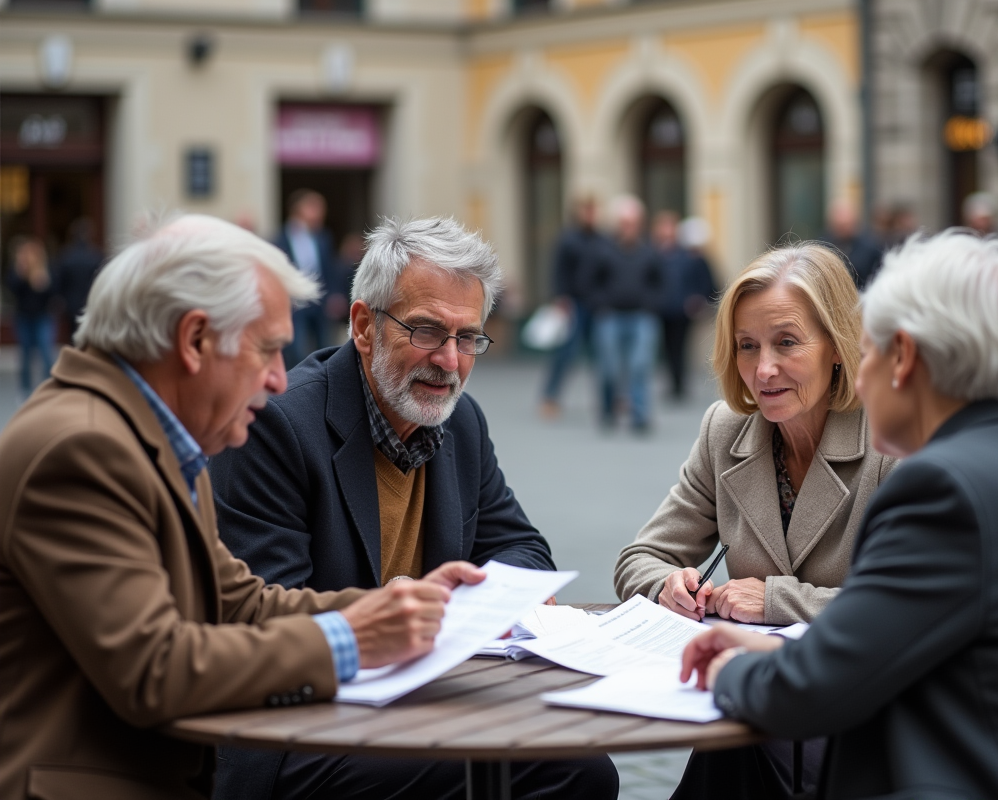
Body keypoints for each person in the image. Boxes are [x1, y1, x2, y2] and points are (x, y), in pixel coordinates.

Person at [0, 213, 490, 799]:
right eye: (267, 350)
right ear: (195, 340)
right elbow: (153, 668)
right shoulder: (83, 447)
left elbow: (237, 601)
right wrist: (351, 639)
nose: (281, 379)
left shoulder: (153, 439)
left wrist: (397, 611)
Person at [677, 230, 998, 800]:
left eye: (865, 352)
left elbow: (811, 692)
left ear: (906, 358)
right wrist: (770, 649)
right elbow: (882, 643)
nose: (860, 380)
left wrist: (727, 673)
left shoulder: (944, 488)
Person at [209, 216, 618, 800]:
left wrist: (481, 597)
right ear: (363, 326)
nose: (449, 361)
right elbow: (261, 615)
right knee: (551, 771)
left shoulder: (461, 422)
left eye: (468, 337)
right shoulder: (280, 425)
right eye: (426, 331)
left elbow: (523, 548)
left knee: (587, 768)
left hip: (426, 701)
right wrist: (418, 609)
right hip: (299, 727)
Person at [614, 241, 894, 626]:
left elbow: (919, 597)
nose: (763, 370)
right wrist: (670, 585)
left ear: (837, 345)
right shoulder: (725, 430)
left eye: (786, 342)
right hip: (745, 672)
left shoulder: (894, 440)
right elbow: (638, 560)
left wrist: (777, 601)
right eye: (747, 345)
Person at [589, 195, 664, 431]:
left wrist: (651, 303)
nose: (628, 227)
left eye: (633, 222)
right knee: (609, 366)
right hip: (610, 316)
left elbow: (660, 282)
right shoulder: (603, 251)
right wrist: (601, 303)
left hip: (642, 316)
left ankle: (639, 415)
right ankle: (608, 409)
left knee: (640, 365)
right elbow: (591, 282)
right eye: (624, 222)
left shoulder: (649, 252)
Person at [541, 196, 606, 418]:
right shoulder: (568, 239)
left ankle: (610, 398)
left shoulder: (602, 240)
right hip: (573, 304)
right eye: (587, 211)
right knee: (566, 353)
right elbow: (558, 271)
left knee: (602, 354)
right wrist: (560, 297)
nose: (591, 215)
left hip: (597, 306)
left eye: (593, 210)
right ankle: (550, 396)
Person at [274, 189, 343, 367]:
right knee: (297, 350)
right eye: (315, 208)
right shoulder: (280, 239)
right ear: (299, 209)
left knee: (325, 348)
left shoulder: (323, 238)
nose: (320, 213)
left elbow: (329, 269)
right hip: (295, 304)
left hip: (319, 302)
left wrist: (334, 295)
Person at [655, 211, 716, 401]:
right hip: (662, 308)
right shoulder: (654, 254)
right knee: (667, 346)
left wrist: (698, 299)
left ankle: (679, 383)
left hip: (682, 309)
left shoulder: (688, 254)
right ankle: (673, 381)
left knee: (679, 346)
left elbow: (703, 280)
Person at [7, 235, 56, 396]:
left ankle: (51, 384)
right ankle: (25, 388)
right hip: (23, 317)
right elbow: (12, 290)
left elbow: (52, 294)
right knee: (25, 353)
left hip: (42, 316)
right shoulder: (17, 272)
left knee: (45, 349)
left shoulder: (44, 270)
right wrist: (21, 273)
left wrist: (43, 283)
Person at [55, 217, 105, 338]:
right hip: (91, 303)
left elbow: (59, 283)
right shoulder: (96, 256)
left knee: (74, 337)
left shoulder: (65, 256)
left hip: (71, 304)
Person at [819, 198, 883, 291]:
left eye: (847, 225)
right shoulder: (822, 245)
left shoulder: (870, 248)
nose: (843, 230)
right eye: (840, 226)